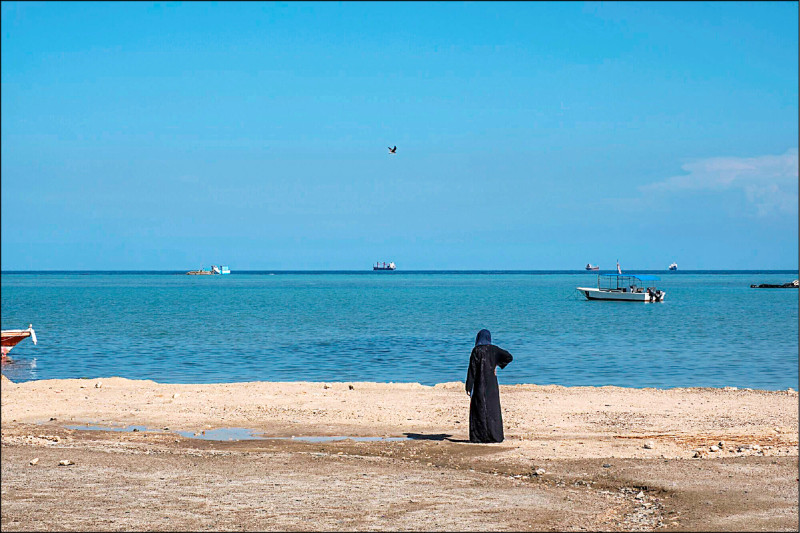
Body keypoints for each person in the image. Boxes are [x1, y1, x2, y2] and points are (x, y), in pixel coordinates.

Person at [465, 329, 513, 443]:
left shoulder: (476, 350)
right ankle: (495, 436)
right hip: (491, 384)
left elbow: (472, 369)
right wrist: (497, 364)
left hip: (479, 384)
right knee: (492, 408)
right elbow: (509, 357)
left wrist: (469, 386)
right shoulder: (494, 350)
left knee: (479, 408)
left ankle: (479, 437)